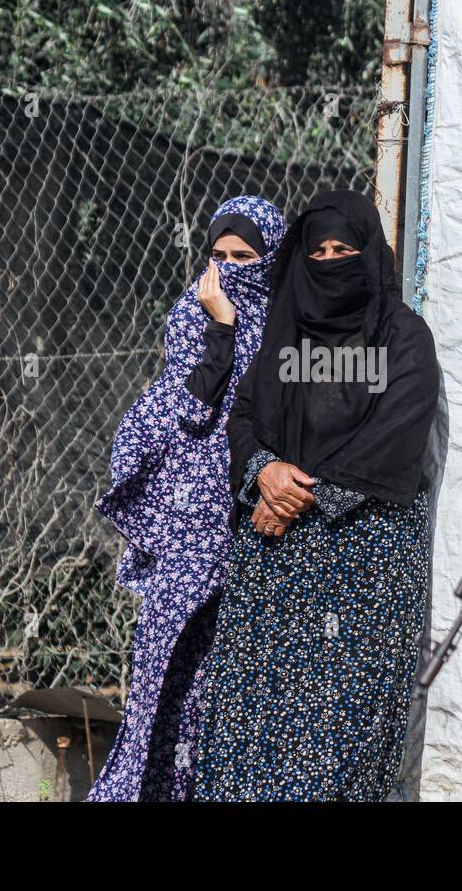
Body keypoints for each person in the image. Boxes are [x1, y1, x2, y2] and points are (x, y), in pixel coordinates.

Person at [193, 190, 440, 801]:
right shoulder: (286, 337)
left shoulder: (402, 340)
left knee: (337, 735)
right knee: (249, 722)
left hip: (363, 560)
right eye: (319, 250)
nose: (331, 261)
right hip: (275, 557)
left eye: (345, 249)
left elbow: (393, 437)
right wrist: (265, 474)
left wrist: (296, 497)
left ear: (371, 254)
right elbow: (244, 416)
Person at [86, 195, 287, 802]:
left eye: (244, 256)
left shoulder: (285, 328)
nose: (228, 267)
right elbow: (194, 407)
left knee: (223, 695)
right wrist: (221, 325)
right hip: (186, 532)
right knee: (161, 683)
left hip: (255, 528)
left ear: (270, 259)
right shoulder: (190, 317)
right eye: (218, 255)